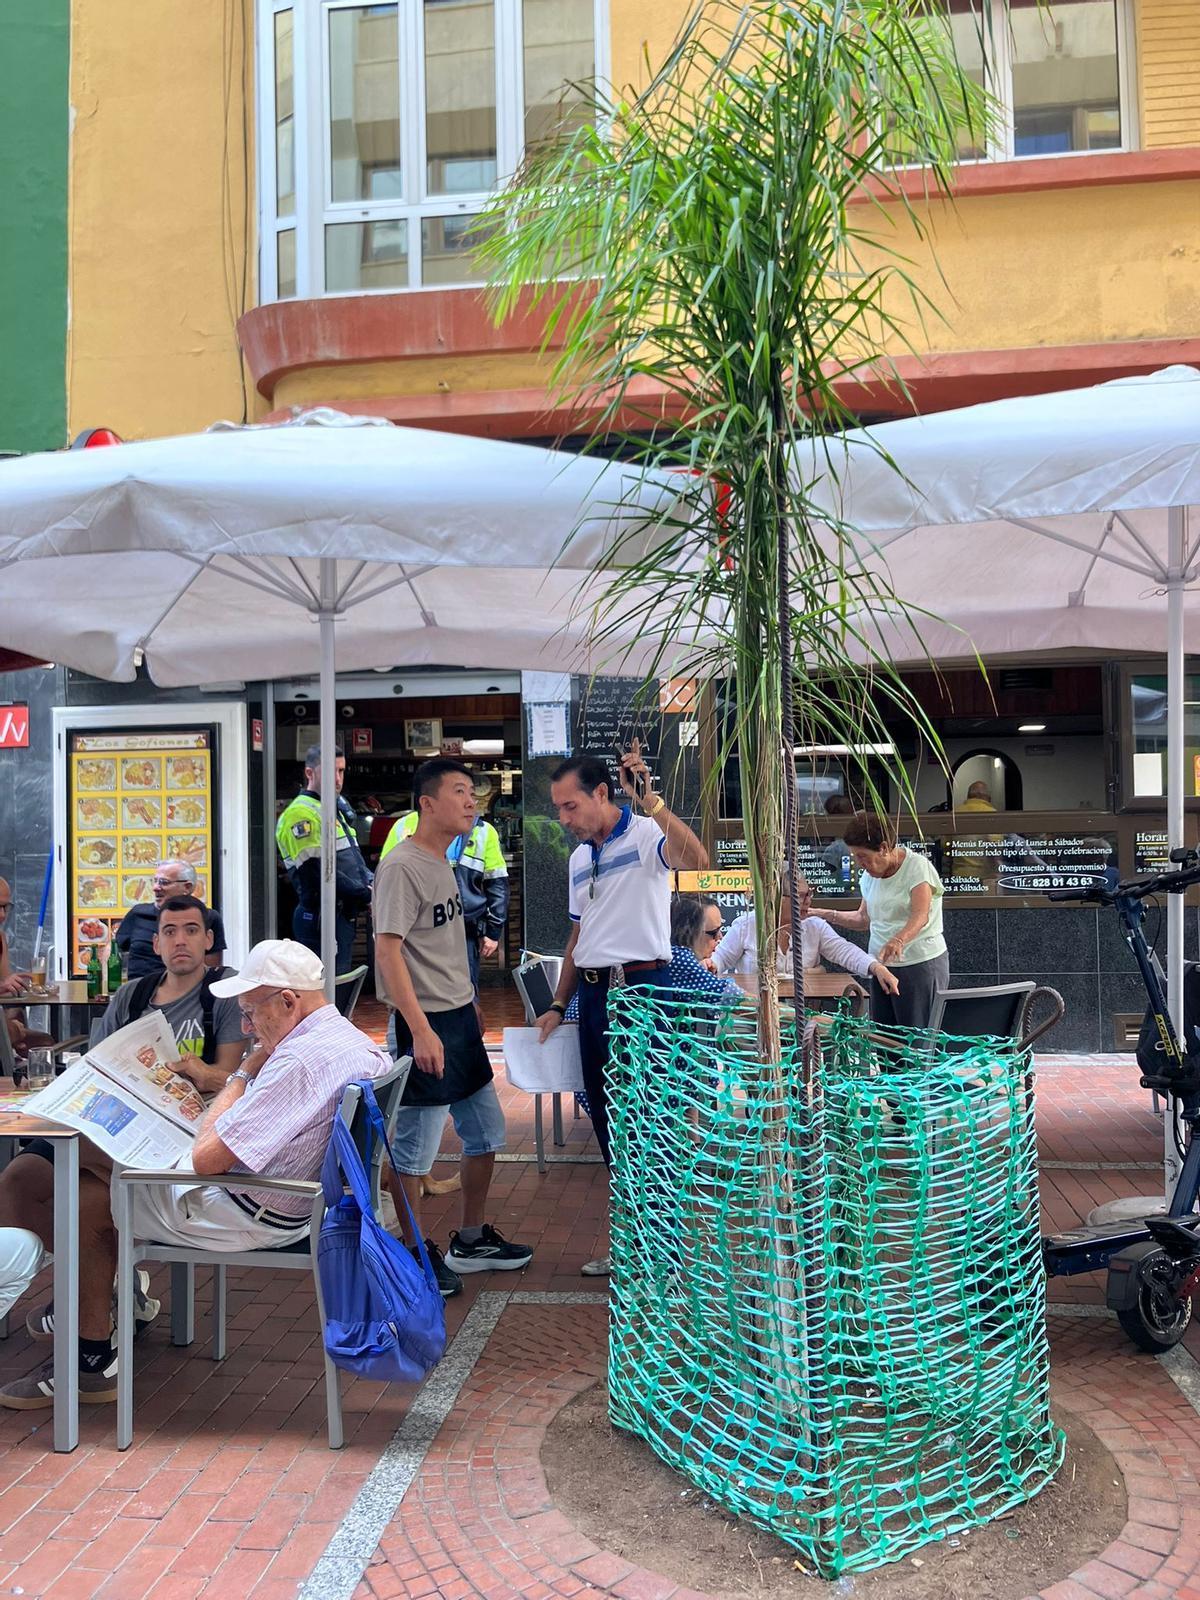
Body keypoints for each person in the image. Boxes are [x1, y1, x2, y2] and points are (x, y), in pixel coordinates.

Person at [0, 939, 392, 1408]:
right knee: (83, 1174)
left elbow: (207, 1159)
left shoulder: (296, 1060)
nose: (247, 1025)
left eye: (251, 1011)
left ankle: (90, 1354)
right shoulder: (351, 1041)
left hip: (248, 1209)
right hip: (293, 1201)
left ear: (288, 1001)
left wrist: (242, 1074)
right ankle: (102, 1321)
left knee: (84, 1195)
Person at [534, 742, 708, 1277]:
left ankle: (667, 1248)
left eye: (570, 806)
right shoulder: (579, 859)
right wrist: (558, 1002)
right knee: (610, 1122)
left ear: (602, 793)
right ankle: (635, 1240)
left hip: (642, 991)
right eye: (559, 809)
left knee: (649, 1117)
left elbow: (698, 861)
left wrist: (652, 801)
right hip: (591, 996)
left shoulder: (645, 833)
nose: (564, 819)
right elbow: (577, 934)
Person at [374, 758, 532, 1300]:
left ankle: (469, 1240)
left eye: (473, 792)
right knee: (415, 1154)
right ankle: (414, 1254)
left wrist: (470, 1001)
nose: (472, 801)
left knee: (486, 1134)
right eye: (460, 792)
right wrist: (419, 1029)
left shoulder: (445, 861)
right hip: (425, 1025)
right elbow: (388, 953)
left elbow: (439, 948)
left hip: (459, 1018)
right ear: (427, 803)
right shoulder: (401, 866)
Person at [95, 895, 246, 1094]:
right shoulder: (130, 994)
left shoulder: (225, 990)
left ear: (208, 940)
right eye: (170, 932)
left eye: (191, 930)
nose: (180, 941)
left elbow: (229, 1075)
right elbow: (97, 1064)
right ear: (156, 944)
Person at [821, 814, 948, 1028]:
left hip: (919, 964)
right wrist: (824, 914)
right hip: (881, 966)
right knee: (884, 1039)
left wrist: (898, 940)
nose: (860, 864)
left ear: (883, 848)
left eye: (863, 856)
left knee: (918, 1040)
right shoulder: (870, 876)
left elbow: (921, 915)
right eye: (855, 857)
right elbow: (863, 919)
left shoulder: (917, 867)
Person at [380, 806, 509, 997]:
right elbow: (385, 879)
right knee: (418, 993)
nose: (467, 801)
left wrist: (493, 930)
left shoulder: (482, 830)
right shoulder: (403, 825)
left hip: (465, 928)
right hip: (416, 930)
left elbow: (497, 883)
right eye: (458, 791)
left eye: (470, 792)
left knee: (464, 994)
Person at [276, 742, 373, 978]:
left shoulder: (330, 810)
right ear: (310, 773)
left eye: (341, 771)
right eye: (331, 771)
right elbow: (316, 873)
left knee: (336, 989)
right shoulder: (301, 813)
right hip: (320, 918)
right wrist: (367, 894)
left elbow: (352, 864)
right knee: (326, 992)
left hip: (339, 915)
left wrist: (372, 885)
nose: (338, 779)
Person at [714, 876, 899, 995]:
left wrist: (876, 967)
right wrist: (711, 965)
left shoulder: (814, 925)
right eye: (801, 896)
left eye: (809, 893)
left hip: (802, 1012)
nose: (808, 900)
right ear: (778, 898)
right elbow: (720, 959)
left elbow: (845, 951)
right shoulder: (747, 925)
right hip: (753, 1011)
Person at [115, 859, 227, 978]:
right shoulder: (138, 913)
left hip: (186, 993)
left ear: (187, 887)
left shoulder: (207, 918)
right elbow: (114, 952)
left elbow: (212, 972)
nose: (156, 888)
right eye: (155, 881)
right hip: (139, 992)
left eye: (164, 882)